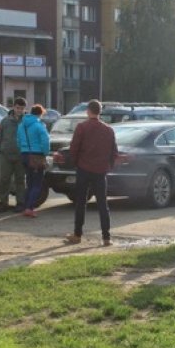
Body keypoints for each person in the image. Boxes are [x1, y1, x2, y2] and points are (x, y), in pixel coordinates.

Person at [65, 99, 118, 246]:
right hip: (100, 171)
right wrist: (108, 166)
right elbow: (114, 152)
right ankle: (106, 237)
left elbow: (74, 148)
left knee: (81, 203)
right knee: (102, 204)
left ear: (88, 111)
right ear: (100, 112)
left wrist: (75, 163)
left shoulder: (82, 127)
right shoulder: (108, 130)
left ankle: (77, 235)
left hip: (84, 169)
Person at [0, 97, 27, 213]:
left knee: (20, 180)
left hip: (21, 155)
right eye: (18, 108)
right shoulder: (5, 121)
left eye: (22, 108)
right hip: (6, 155)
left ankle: (20, 203)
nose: (20, 110)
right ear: (14, 107)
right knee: (4, 180)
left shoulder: (26, 121)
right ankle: (3, 203)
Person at [17, 104, 50, 218]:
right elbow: (45, 141)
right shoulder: (39, 125)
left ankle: (25, 206)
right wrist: (45, 153)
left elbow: (18, 140)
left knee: (29, 183)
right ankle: (29, 208)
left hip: (24, 155)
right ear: (40, 114)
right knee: (37, 184)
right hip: (36, 156)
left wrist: (23, 150)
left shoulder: (21, 125)